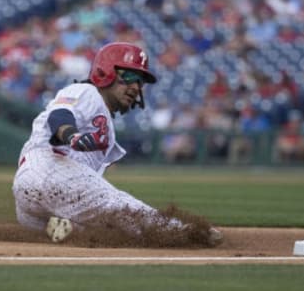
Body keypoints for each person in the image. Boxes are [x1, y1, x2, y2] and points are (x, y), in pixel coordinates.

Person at [12, 42, 222, 245]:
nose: (135, 87)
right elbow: (59, 114)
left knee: (104, 230)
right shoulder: (86, 92)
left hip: (34, 199)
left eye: (140, 81)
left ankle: (61, 225)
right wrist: (71, 135)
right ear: (105, 73)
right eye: (129, 77)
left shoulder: (106, 125)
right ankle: (181, 232)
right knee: (120, 206)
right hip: (47, 168)